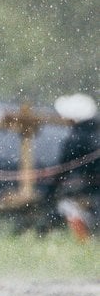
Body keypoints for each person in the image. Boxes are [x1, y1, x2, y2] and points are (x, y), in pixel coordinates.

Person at [39, 93, 100, 238]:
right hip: (94, 189)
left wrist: (47, 195)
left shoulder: (75, 140)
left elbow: (61, 172)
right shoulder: (94, 136)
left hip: (91, 191)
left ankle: (84, 235)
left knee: (66, 205)